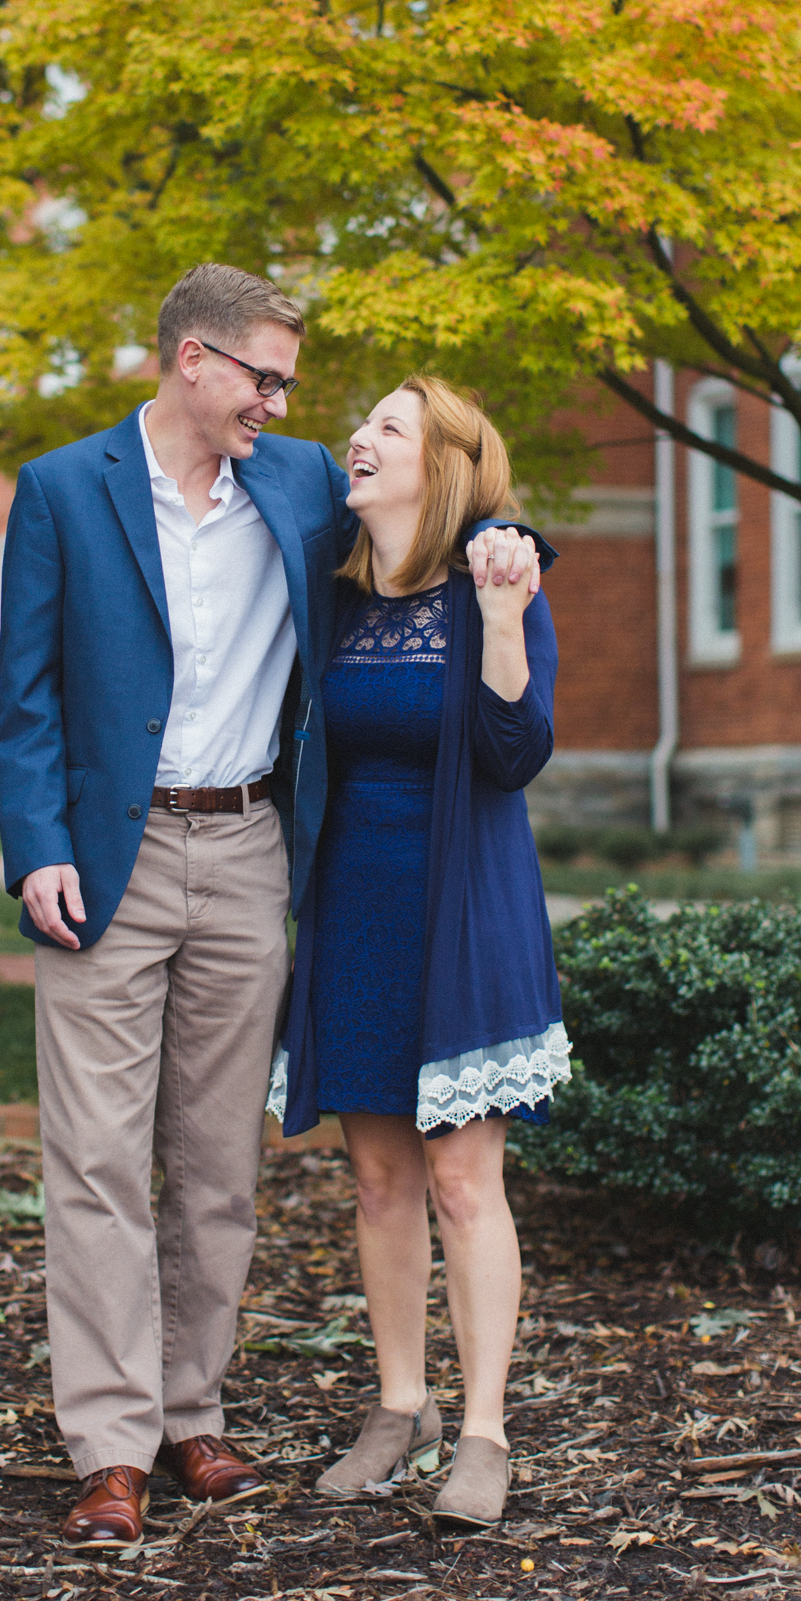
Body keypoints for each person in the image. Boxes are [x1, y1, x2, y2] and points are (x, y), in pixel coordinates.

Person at [0, 262, 355, 1549]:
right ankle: (108, 1445)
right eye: (264, 373)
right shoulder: (61, 490)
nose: (280, 398)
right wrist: (33, 843)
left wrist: (508, 549)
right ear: (191, 359)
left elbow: (432, 499)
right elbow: (24, 693)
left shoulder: (304, 481)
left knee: (217, 1161)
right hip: (109, 854)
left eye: (288, 381)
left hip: (252, 846)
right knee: (94, 1162)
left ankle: (191, 1409)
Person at [269, 375, 570, 1528]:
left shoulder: (500, 576)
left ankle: (483, 1425)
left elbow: (514, 752)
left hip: (466, 907)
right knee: (381, 1178)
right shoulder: (336, 598)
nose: (359, 437)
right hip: (353, 910)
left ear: (440, 464)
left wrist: (499, 622)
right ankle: (400, 1406)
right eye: (362, 423)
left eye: (388, 427)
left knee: (459, 1179)